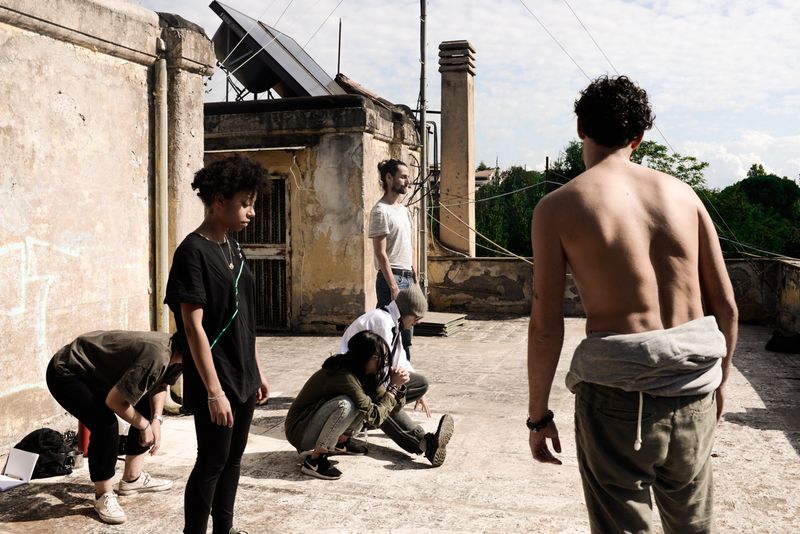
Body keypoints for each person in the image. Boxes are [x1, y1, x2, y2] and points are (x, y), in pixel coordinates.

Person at [527, 75, 738, 533]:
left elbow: (546, 324)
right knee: (692, 525)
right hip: (692, 386)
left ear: (581, 127)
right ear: (638, 137)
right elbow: (726, 306)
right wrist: (718, 384)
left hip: (615, 394)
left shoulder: (558, 207)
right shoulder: (685, 196)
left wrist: (538, 416)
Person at [165, 155, 271, 534]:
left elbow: (246, 316)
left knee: (233, 460)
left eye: (253, 203)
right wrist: (213, 391)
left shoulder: (233, 247)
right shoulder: (191, 252)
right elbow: (192, 327)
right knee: (211, 461)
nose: (251, 212)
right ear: (218, 200)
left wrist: (255, 369)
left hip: (242, 374)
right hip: (216, 378)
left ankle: (223, 530)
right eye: (245, 203)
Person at [45, 330, 182, 525]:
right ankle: (103, 495)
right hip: (67, 370)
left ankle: (132, 479)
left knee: (145, 405)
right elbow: (115, 402)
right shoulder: (158, 356)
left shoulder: (178, 356)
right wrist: (144, 425)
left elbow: (160, 385)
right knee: (105, 424)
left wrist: (156, 421)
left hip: (96, 374)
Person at [339, 285, 454, 467]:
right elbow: (381, 369)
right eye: (416, 318)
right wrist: (392, 393)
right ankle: (424, 443)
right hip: (355, 379)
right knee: (383, 399)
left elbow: (399, 360)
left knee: (419, 383)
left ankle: (373, 419)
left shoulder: (394, 323)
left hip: (373, 376)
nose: (417, 323)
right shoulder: (382, 322)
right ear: (406, 312)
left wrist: (418, 392)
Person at [285, 331, 408, 480]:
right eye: (381, 358)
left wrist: (398, 388)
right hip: (300, 431)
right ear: (364, 357)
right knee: (346, 404)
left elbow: (390, 410)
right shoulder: (344, 375)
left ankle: (341, 442)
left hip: (313, 425)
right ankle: (315, 460)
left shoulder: (366, 374)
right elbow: (375, 417)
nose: (385, 363)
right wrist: (393, 388)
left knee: (364, 402)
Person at [370, 159, 419, 361]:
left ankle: (404, 383)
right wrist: (392, 286)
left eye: (408, 177)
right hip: (392, 279)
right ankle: (388, 382)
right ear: (389, 178)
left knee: (406, 336)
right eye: (403, 177)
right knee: (389, 335)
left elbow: (409, 246)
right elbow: (380, 253)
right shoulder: (380, 211)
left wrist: (415, 279)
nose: (408, 181)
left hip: (408, 277)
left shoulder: (404, 210)